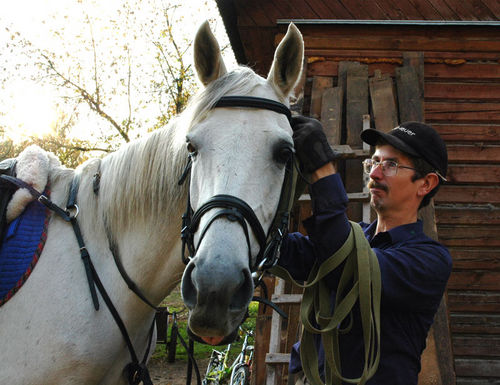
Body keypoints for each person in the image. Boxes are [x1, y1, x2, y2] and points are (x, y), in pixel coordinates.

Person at [278, 116, 453, 385]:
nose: (373, 173)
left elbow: (348, 267)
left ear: (426, 184)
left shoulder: (429, 260)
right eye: (373, 162)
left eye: (391, 165)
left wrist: (323, 172)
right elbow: (288, 251)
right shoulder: (356, 236)